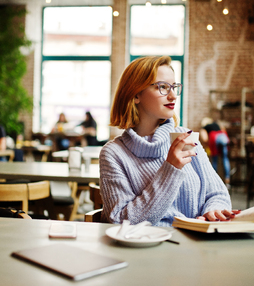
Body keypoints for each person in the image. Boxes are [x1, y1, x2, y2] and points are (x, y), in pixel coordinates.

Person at [99, 56, 238, 227]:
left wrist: (214, 210)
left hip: (197, 245)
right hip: (148, 249)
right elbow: (119, 222)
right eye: (163, 87)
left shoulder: (185, 137)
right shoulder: (113, 154)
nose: (173, 96)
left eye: (174, 87)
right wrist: (170, 169)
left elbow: (218, 193)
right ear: (136, 94)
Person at [199, 116, 231, 187]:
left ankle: (213, 182)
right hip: (223, 136)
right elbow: (224, 130)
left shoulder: (204, 127)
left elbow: (205, 139)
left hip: (214, 137)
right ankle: (227, 180)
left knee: (214, 160)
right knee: (225, 158)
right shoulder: (217, 124)